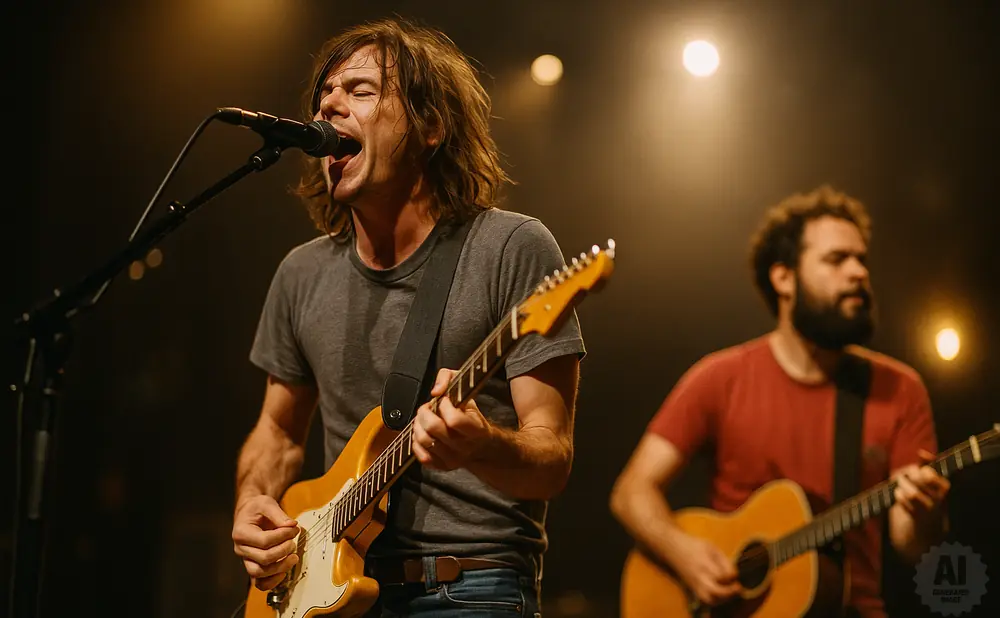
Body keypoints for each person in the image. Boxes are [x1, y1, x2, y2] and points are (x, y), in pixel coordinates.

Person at [230, 17, 585, 617]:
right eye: (325, 96)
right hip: (328, 590)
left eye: (361, 91)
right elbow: (279, 433)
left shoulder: (510, 248)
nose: (331, 106)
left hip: (468, 584)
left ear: (430, 127)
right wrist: (252, 502)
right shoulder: (302, 273)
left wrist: (480, 445)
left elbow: (551, 461)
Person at [610, 186, 950, 618]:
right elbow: (631, 492)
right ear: (783, 277)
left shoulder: (899, 390)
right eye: (836, 259)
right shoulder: (720, 378)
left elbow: (911, 544)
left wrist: (927, 513)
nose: (858, 272)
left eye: (861, 259)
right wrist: (686, 555)